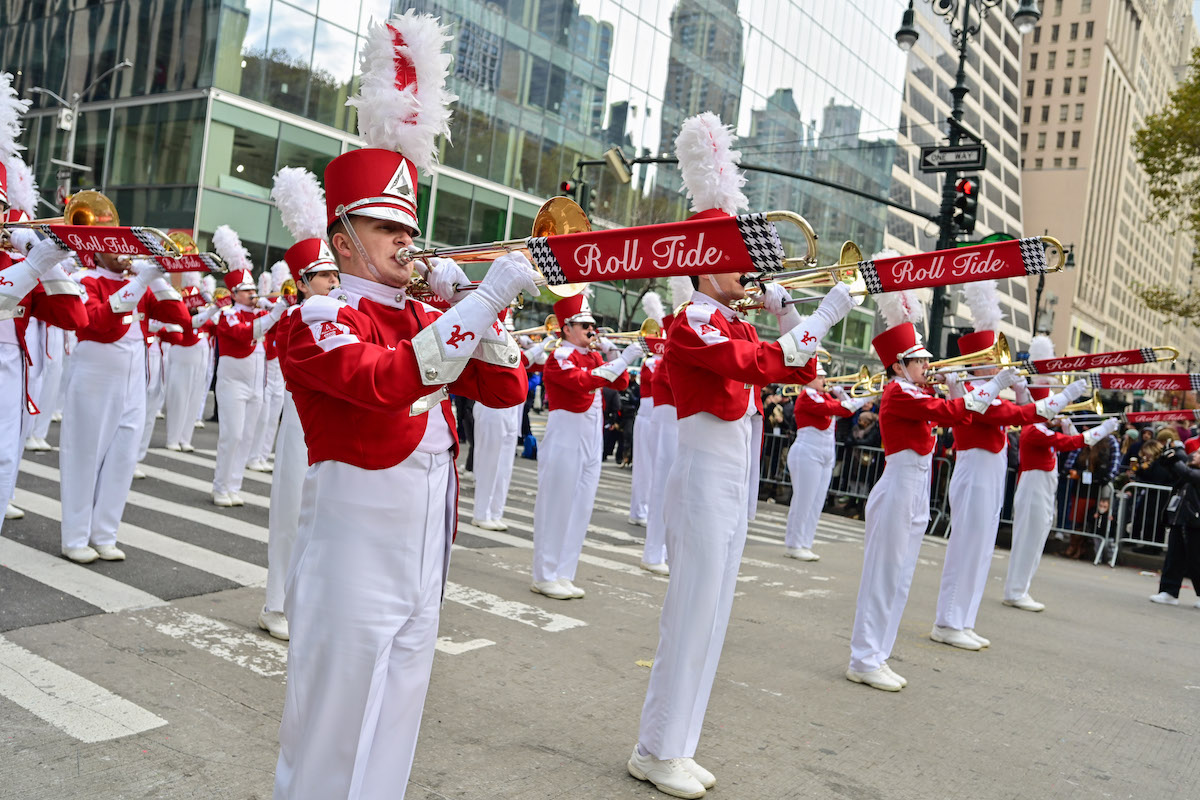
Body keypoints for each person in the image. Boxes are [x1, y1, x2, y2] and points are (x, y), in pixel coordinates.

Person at [272, 13, 536, 798]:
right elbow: (388, 384)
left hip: (427, 544)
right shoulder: (315, 321)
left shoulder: (421, 311)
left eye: (411, 228)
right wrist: (479, 300)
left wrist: (484, 311)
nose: (406, 243)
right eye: (387, 228)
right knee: (331, 729)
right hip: (356, 540)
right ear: (343, 236)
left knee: (397, 716)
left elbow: (506, 389)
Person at [627, 111, 852, 799]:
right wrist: (815, 319)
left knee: (716, 609)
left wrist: (791, 312)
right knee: (693, 607)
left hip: (733, 462)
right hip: (702, 463)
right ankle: (656, 746)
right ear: (701, 263)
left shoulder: (730, 316)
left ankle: (679, 743)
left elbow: (801, 372)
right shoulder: (692, 318)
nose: (748, 270)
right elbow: (760, 364)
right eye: (735, 260)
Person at [846, 286, 1024, 693]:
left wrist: (958, 382)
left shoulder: (912, 389)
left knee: (901, 577)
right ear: (899, 366)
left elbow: (946, 405)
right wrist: (995, 383)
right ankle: (863, 656)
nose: (928, 366)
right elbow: (951, 412)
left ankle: (877, 655)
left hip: (915, 486)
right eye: (920, 362)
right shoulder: (898, 392)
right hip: (898, 486)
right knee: (883, 576)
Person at [932, 320, 1086, 651]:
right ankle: (947, 621)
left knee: (982, 549)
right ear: (976, 362)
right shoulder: (974, 392)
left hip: (990, 471)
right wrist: (1066, 395)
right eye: (992, 357)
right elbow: (1024, 415)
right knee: (967, 547)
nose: (1000, 363)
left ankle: (964, 620)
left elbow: (1021, 410)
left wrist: (1020, 390)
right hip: (974, 469)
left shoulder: (987, 391)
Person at [61, 247, 188, 562]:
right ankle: (75, 537)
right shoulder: (84, 279)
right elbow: (97, 321)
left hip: (134, 376)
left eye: (124, 248)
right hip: (96, 372)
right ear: (96, 253)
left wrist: (156, 277)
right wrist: (141, 280)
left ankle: (104, 534)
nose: (120, 255)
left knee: (123, 458)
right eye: (112, 249)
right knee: (85, 455)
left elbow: (181, 317)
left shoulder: (140, 281)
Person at [530, 292, 639, 600]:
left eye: (594, 326)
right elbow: (584, 382)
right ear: (567, 328)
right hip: (566, 433)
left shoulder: (591, 354)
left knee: (580, 507)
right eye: (585, 326)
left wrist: (612, 351)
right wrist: (623, 359)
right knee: (556, 504)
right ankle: (544, 574)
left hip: (591, 434)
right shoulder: (560, 357)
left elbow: (618, 384)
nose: (593, 331)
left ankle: (564, 572)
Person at [1002, 408, 1114, 611]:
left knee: (1034, 543)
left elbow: (1070, 439)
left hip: (1041, 487)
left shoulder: (1040, 428)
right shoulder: (1035, 429)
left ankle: (1019, 589)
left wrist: (1066, 424)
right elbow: (1071, 443)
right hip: (1034, 487)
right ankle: (1016, 591)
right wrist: (1102, 430)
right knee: (1028, 543)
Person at [210, 225, 288, 507]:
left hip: (257, 384)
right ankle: (220, 486)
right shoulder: (227, 314)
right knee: (231, 436)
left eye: (254, 289)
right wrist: (274, 313)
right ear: (234, 292)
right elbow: (248, 333)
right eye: (247, 290)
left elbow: (274, 335)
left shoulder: (262, 312)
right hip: (232, 384)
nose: (253, 294)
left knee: (247, 436)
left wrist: (283, 309)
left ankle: (234, 485)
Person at [783, 366, 869, 561]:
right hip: (807, 451)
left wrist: (843, 394)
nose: (824, 379)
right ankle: (793, 543)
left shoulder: (824, 396)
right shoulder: (807, 395)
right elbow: (838, 409)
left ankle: (805, 543)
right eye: (819, 376)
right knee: (803, 501)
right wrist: (865, 398)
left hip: (825, 453)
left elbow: (846, 411)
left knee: (816, 502)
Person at [164, 279, 219, 452]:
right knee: (179, 399)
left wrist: (218, 308)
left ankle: (185, 438)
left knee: (194, 400)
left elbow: (216, 327)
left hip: (200, 361)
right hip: (183, 358)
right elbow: (189, 323)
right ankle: (172, 437)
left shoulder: (204, 319)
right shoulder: (180, 317)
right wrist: (211, 310)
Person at [1149, 438, 1200, 609]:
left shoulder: (1193, 474)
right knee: (1174, 557)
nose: (1195, 454)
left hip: (1196, 522)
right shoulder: (1189, 469)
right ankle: (1169, 591)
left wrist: (1174, 458)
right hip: (1181, 518)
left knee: (1197, 559)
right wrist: (1167, 458)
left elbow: (1188, 473)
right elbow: (1181, 470)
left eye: (1199, 454)